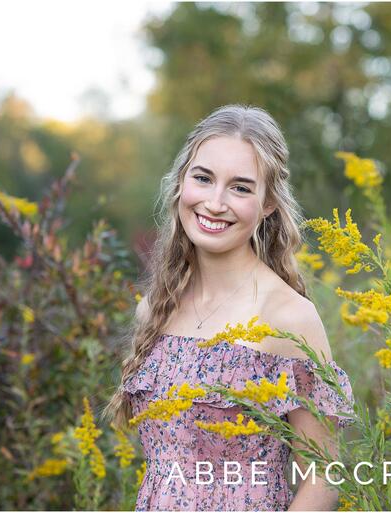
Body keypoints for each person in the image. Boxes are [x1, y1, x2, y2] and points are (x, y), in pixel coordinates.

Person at [102, 104, 356, 511]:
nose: (215, 203)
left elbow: (323, 474)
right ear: (181, 183)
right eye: (203, 179)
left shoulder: (287, 317)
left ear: (268, 203)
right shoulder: (155, 310)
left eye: (240, 187)